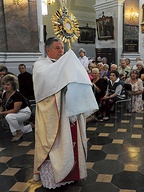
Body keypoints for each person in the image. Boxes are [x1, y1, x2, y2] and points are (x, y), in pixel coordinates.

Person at [33, 37, 98, 189]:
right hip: (54, 114)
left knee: (73, 141)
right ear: (48, 50)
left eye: (62, 48)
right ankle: (56, 177)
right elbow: (47, 82)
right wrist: (67, 66)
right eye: (57, 48)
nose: (61, 51)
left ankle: (73, 174)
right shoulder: (41, 66)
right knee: (57, 144)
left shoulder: (66, 64)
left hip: (70, 113)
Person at [0, 74, 33, 142]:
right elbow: (2, 105)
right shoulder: (4, 94)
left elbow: (16, 110)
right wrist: (0, 112)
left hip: (24, 112)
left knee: (9, 117)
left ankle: (19, 132)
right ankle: (29, 126)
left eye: (8, 84)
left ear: (13, 85)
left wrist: (2, 113)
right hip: (15, 113)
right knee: (13, 132)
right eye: (4, 84)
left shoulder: (17, 95)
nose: (5, 86)